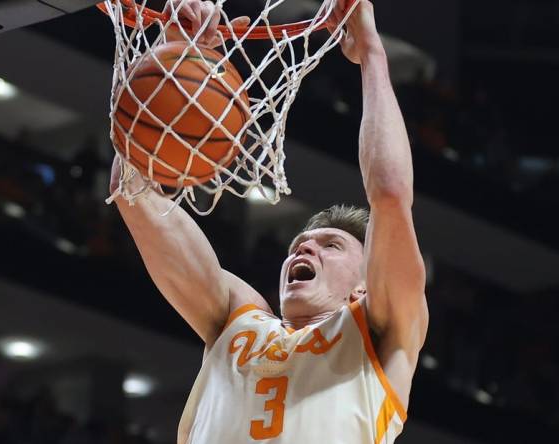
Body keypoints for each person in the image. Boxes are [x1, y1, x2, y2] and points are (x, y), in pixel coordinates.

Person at [109, 0, 428, 442]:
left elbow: (391, 196)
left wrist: (372, 53)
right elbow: (134, 199)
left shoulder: (378, 331)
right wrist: (175, 53)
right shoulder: (235, 318)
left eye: (331, 245)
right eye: (301, 242)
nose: (304, 248)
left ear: (364, 284)